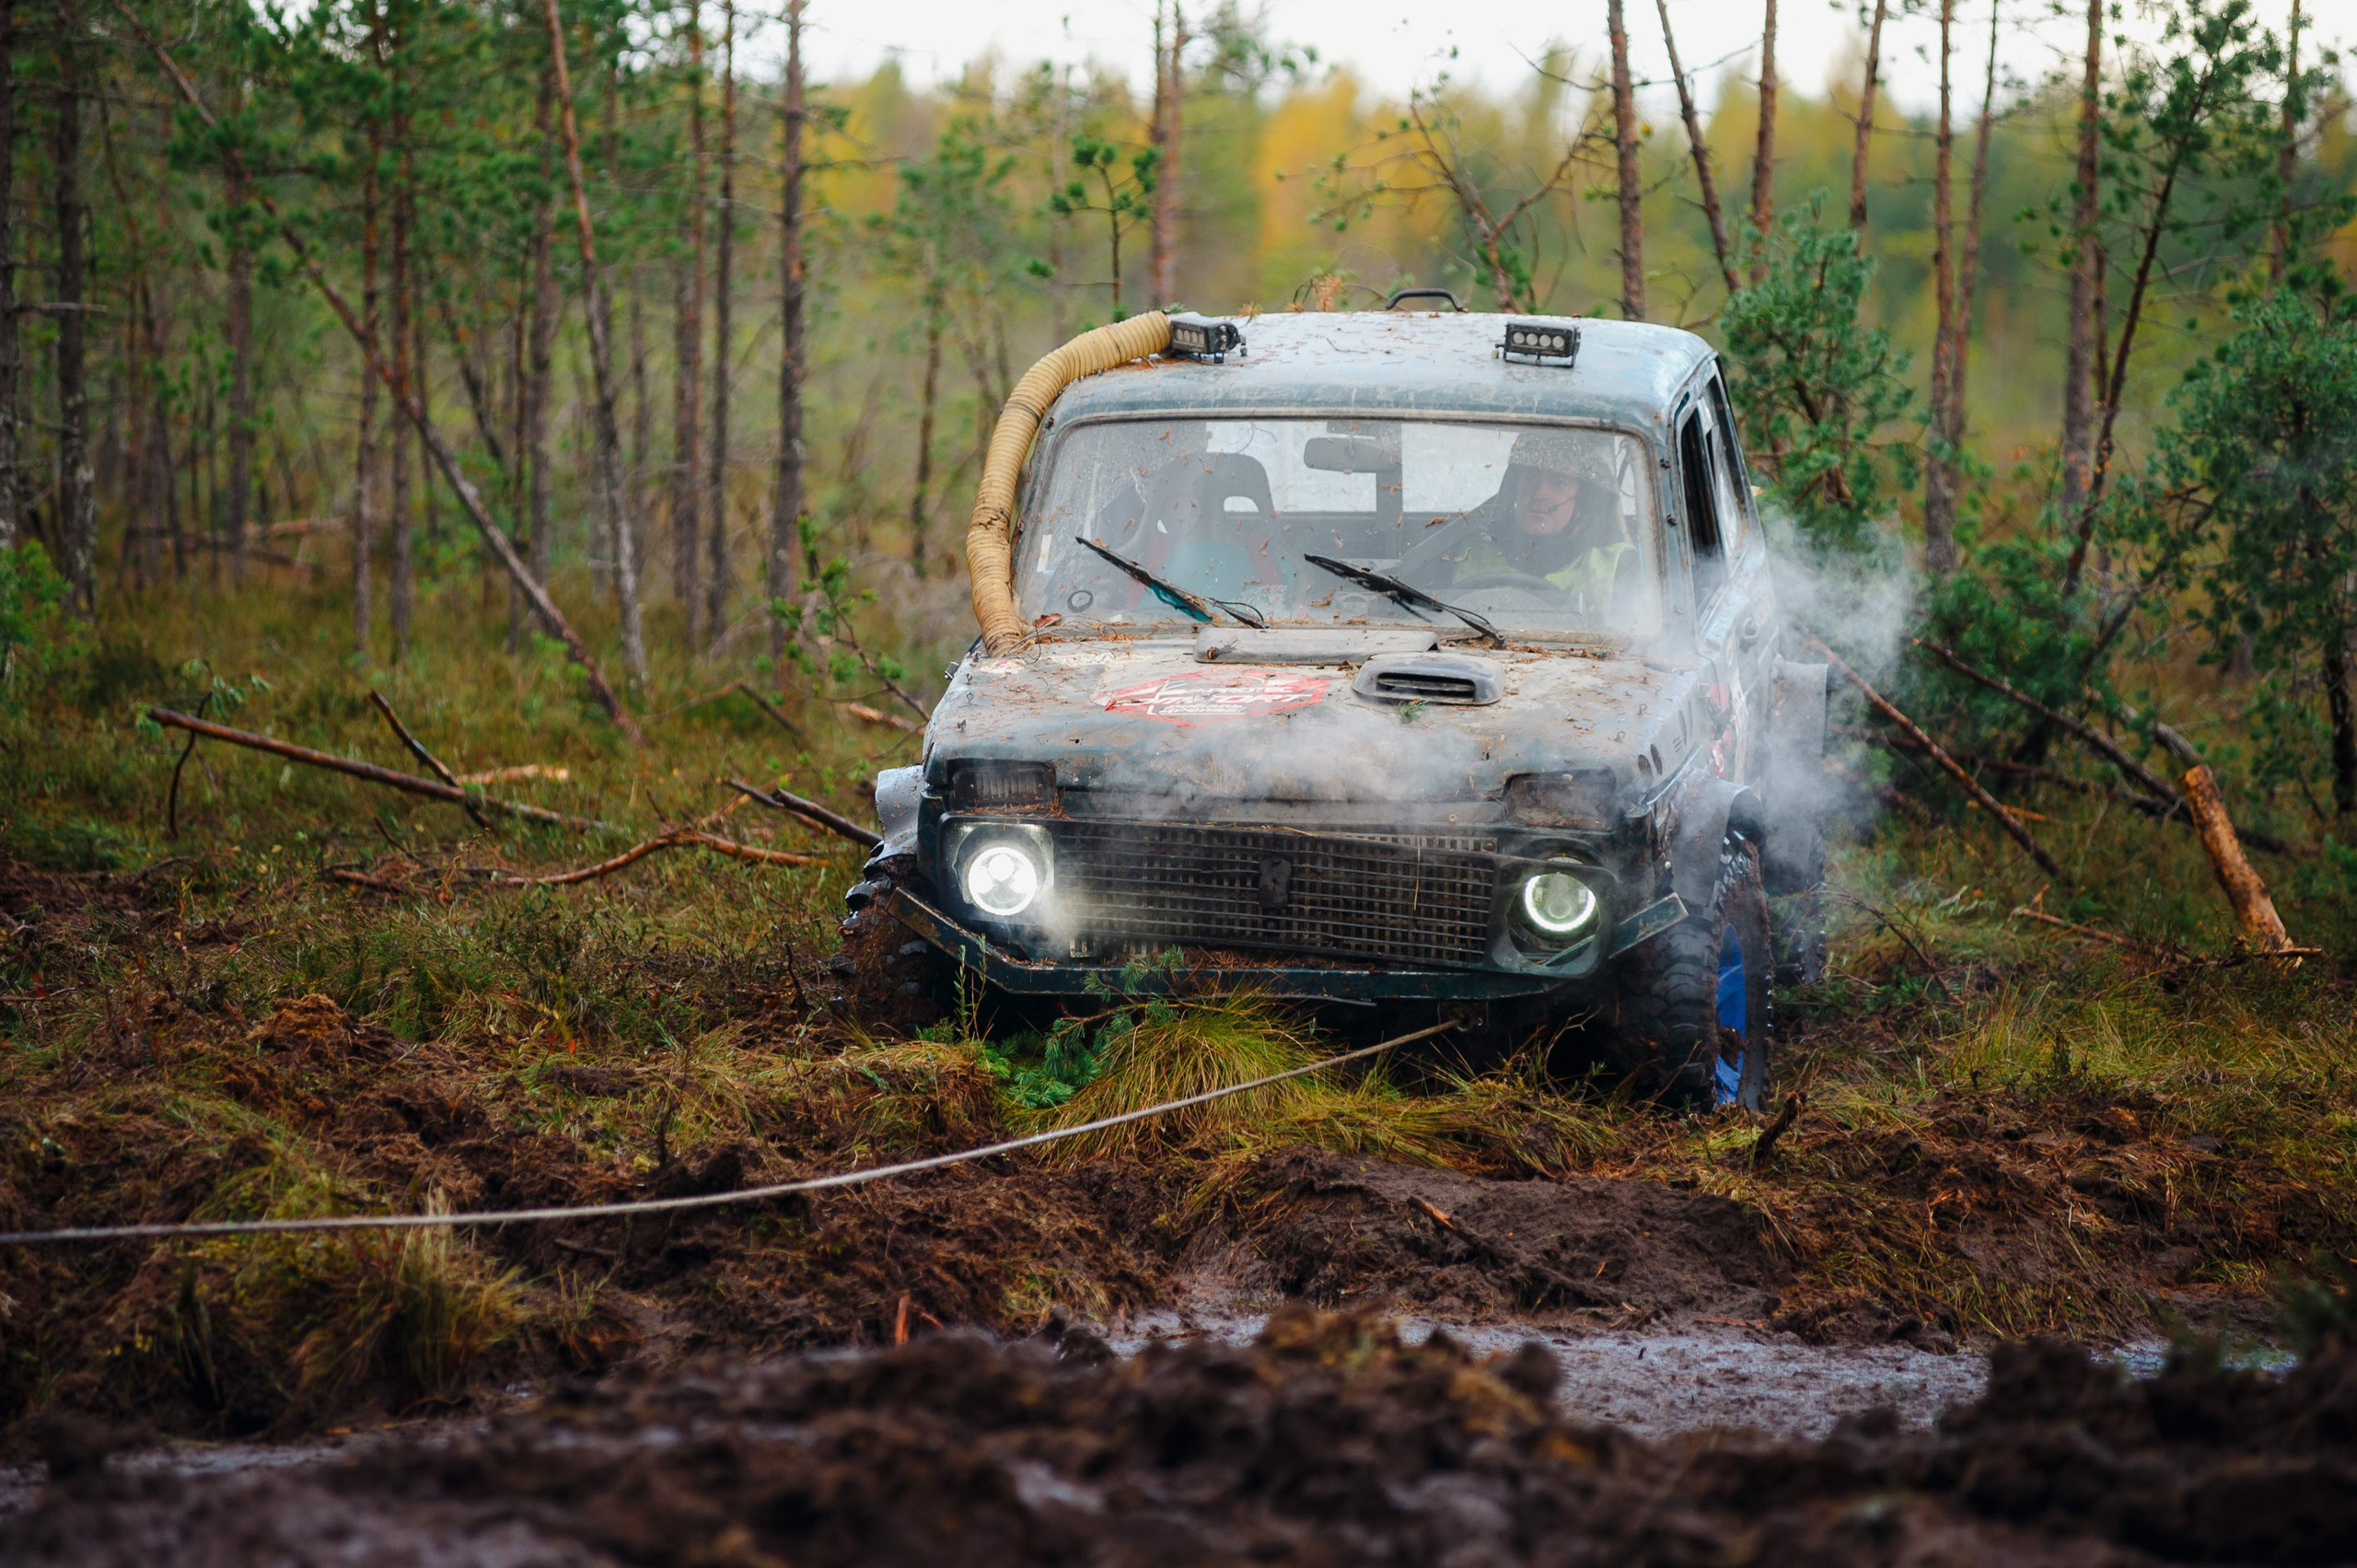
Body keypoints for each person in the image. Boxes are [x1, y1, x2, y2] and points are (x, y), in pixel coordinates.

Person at [1398, 427, 1637, 618]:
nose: (1539, 493)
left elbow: (1636, 652)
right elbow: (1413, 622)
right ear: (1514, 486)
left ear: (1582, 500)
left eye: (1559, 482)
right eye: (1531, 476)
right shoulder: (1465, 552)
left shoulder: (1618, 567)